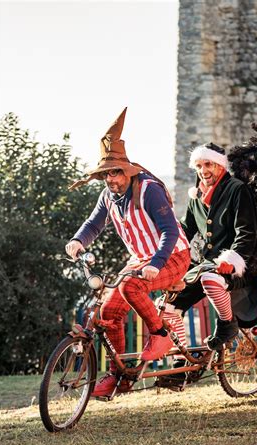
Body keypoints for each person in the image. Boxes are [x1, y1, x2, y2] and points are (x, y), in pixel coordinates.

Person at [66, 107, 191, 397]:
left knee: (131, 286)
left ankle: (160, 336)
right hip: (141, 259)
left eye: (116, 172)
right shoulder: (107, 196)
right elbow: (93, 224)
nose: (111, 178)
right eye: (106, 173)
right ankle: (119, 377)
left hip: (172, 256)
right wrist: (77, 241)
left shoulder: (149, 190)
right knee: (108, 313)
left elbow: (170, 232)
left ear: (127, 170)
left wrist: (156, 264)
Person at [161, 142, 257, 369]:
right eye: (198, 165)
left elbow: (246, 233)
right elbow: (186, 230)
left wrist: (232, 259)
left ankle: (227, 325)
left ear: (220, 165)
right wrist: (162, 252)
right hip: (205, 265)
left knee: (210, 279)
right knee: (166, 305)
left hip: (235, 266)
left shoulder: (237, 189)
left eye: (208, 164)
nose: (203, 170)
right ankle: (180, 365)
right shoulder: (195, 196)